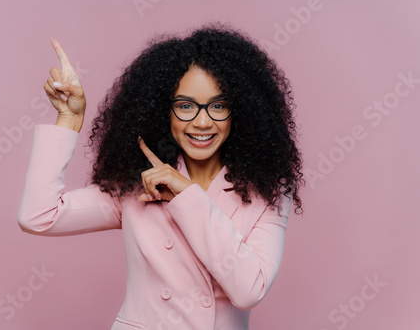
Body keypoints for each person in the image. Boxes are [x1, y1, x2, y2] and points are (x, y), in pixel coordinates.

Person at [17, 22, 304, 329]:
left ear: (241, 110)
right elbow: (39, 216)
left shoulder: (268, 190)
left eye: (218, 106)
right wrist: (68, 120)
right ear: (161, 110)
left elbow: (249, 290)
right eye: (185, 106)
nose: (202, 122)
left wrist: (188, 196)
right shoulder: (137, 183)